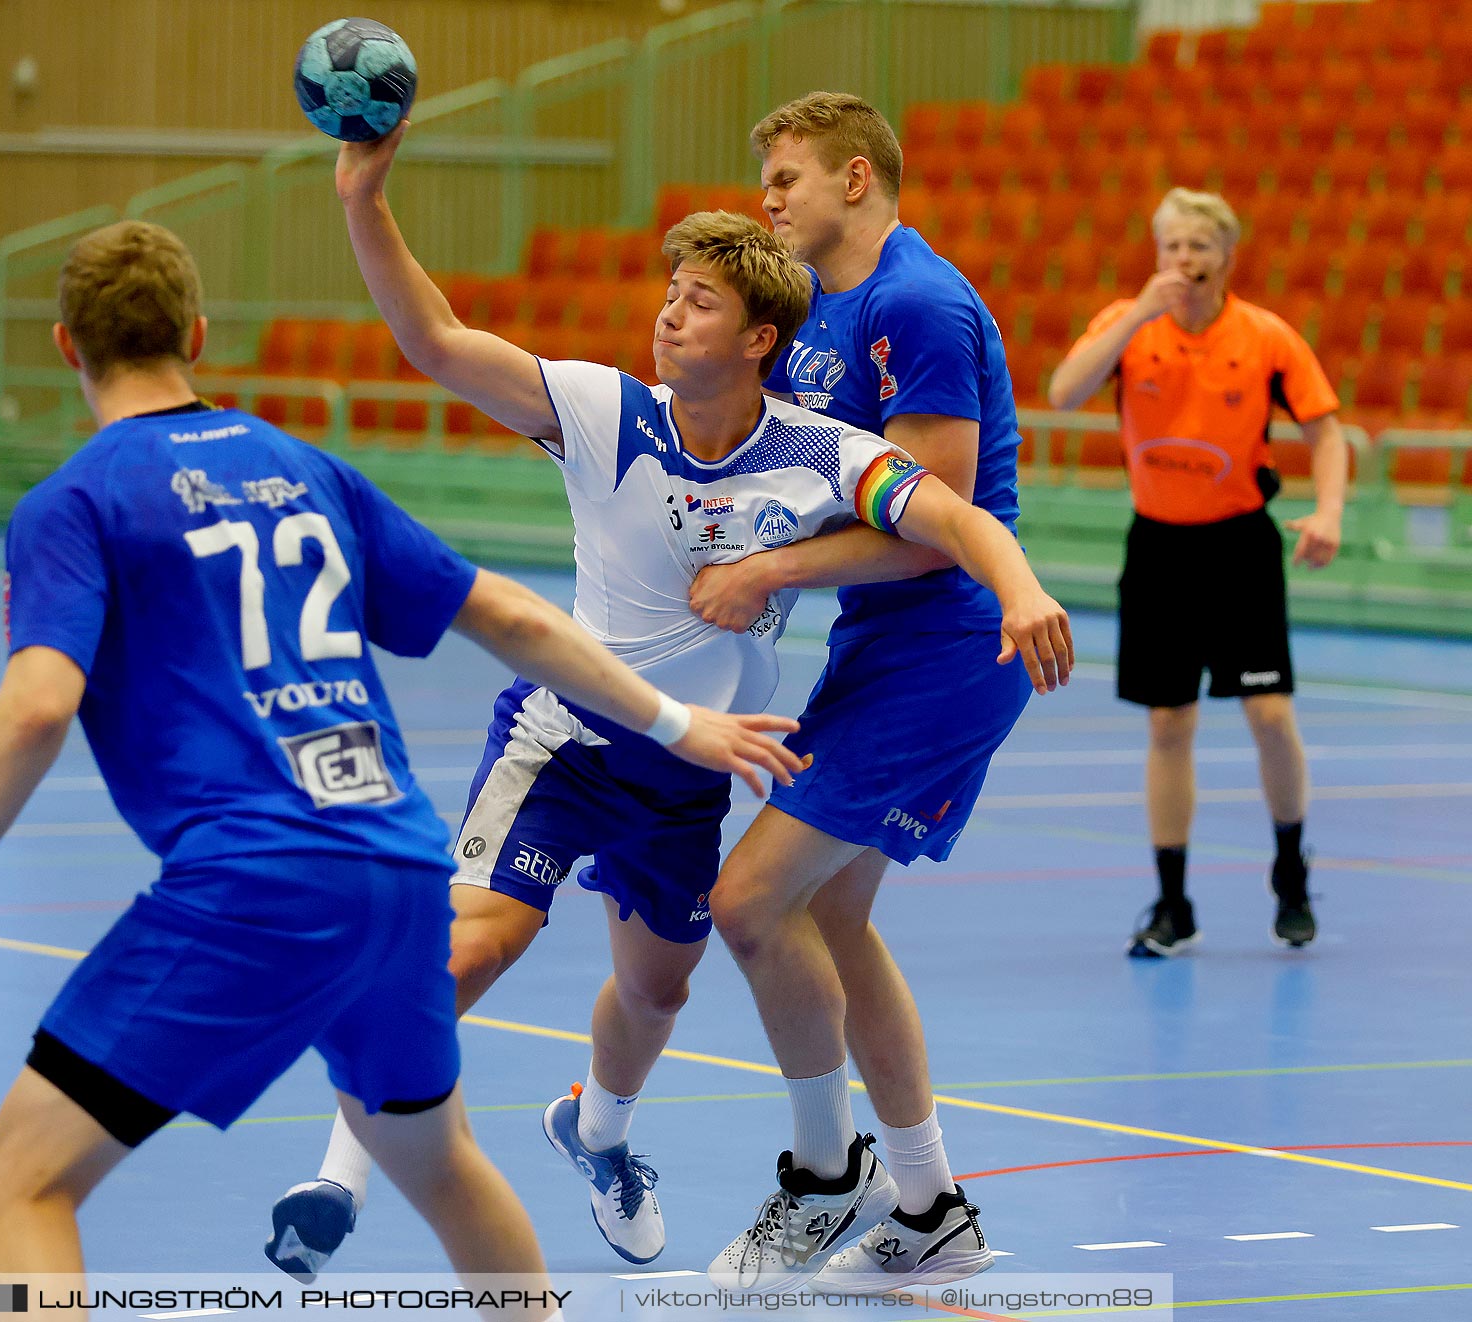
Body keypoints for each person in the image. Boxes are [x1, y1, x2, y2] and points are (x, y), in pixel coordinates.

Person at [0, 219, 806, 1319]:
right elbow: (507, 612)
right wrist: (675, 719)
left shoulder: (75, 503)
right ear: (197, 332)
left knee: (16, 1180)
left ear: (63, 346)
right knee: (439, 1163)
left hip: (252, 883)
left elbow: (39, 702)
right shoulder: (298, 465)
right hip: (393, 865)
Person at [268, 120, 1068, 1281]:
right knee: (481, 942)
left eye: (697, 300)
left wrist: (1020, 584)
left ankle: (602, 1134)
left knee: (659, 987)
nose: (668, 313)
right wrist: (362, 200)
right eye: (669, 293)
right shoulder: (603, 411)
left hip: (694, 765)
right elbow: (436, 341)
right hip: (566, 738)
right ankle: (336, 1177)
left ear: (758, 341)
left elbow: (946, 511)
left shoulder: (817, 445)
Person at [685, 91, 1070, 1291]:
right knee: (832, 920)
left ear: (858, 179)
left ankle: (825, 1174)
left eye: (788, 176)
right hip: (882, 648)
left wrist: (770, 569)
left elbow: (938, 522)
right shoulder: (820, 312)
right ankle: (930, 1202)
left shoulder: (916, 302)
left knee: (749, 901)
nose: (770, 197)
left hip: (948, 652)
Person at [1048, 186, 1346, 957]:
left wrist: (1331, 512)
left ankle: (1289, 871)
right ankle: (1173, 903)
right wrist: (1136, 315)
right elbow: (1063, 391)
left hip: (1240, 548)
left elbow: (1327, 430)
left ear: (1227, 257)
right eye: (1172, 247)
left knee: (1269, 715)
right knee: (1168, 722)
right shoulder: (1128, 325)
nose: (1185, 261)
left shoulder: (1267, 336)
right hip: (1159, 548)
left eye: (1199, 248)